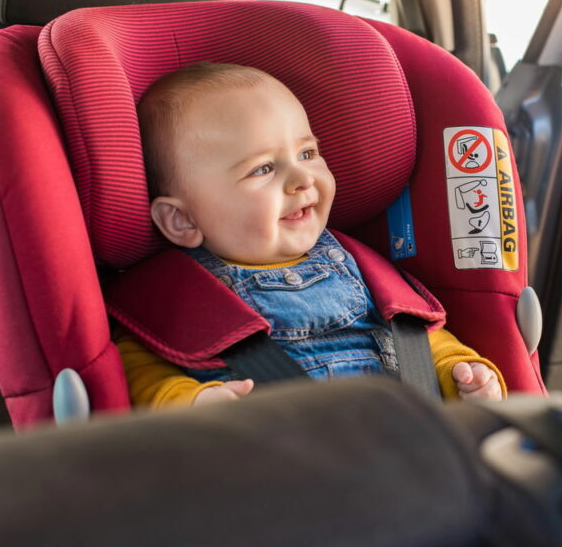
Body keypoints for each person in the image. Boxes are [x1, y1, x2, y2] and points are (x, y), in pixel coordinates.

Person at [117, 62, 505, 408]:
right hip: (283, 465)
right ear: (182, 220)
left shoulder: (360, 266)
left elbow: (418, 338)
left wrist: (460, 372)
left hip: (402, 448)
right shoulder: (175, 296)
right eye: (263, 169)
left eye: (307, 154)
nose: (303, 179)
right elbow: (140, 369)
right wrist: (192, 401)